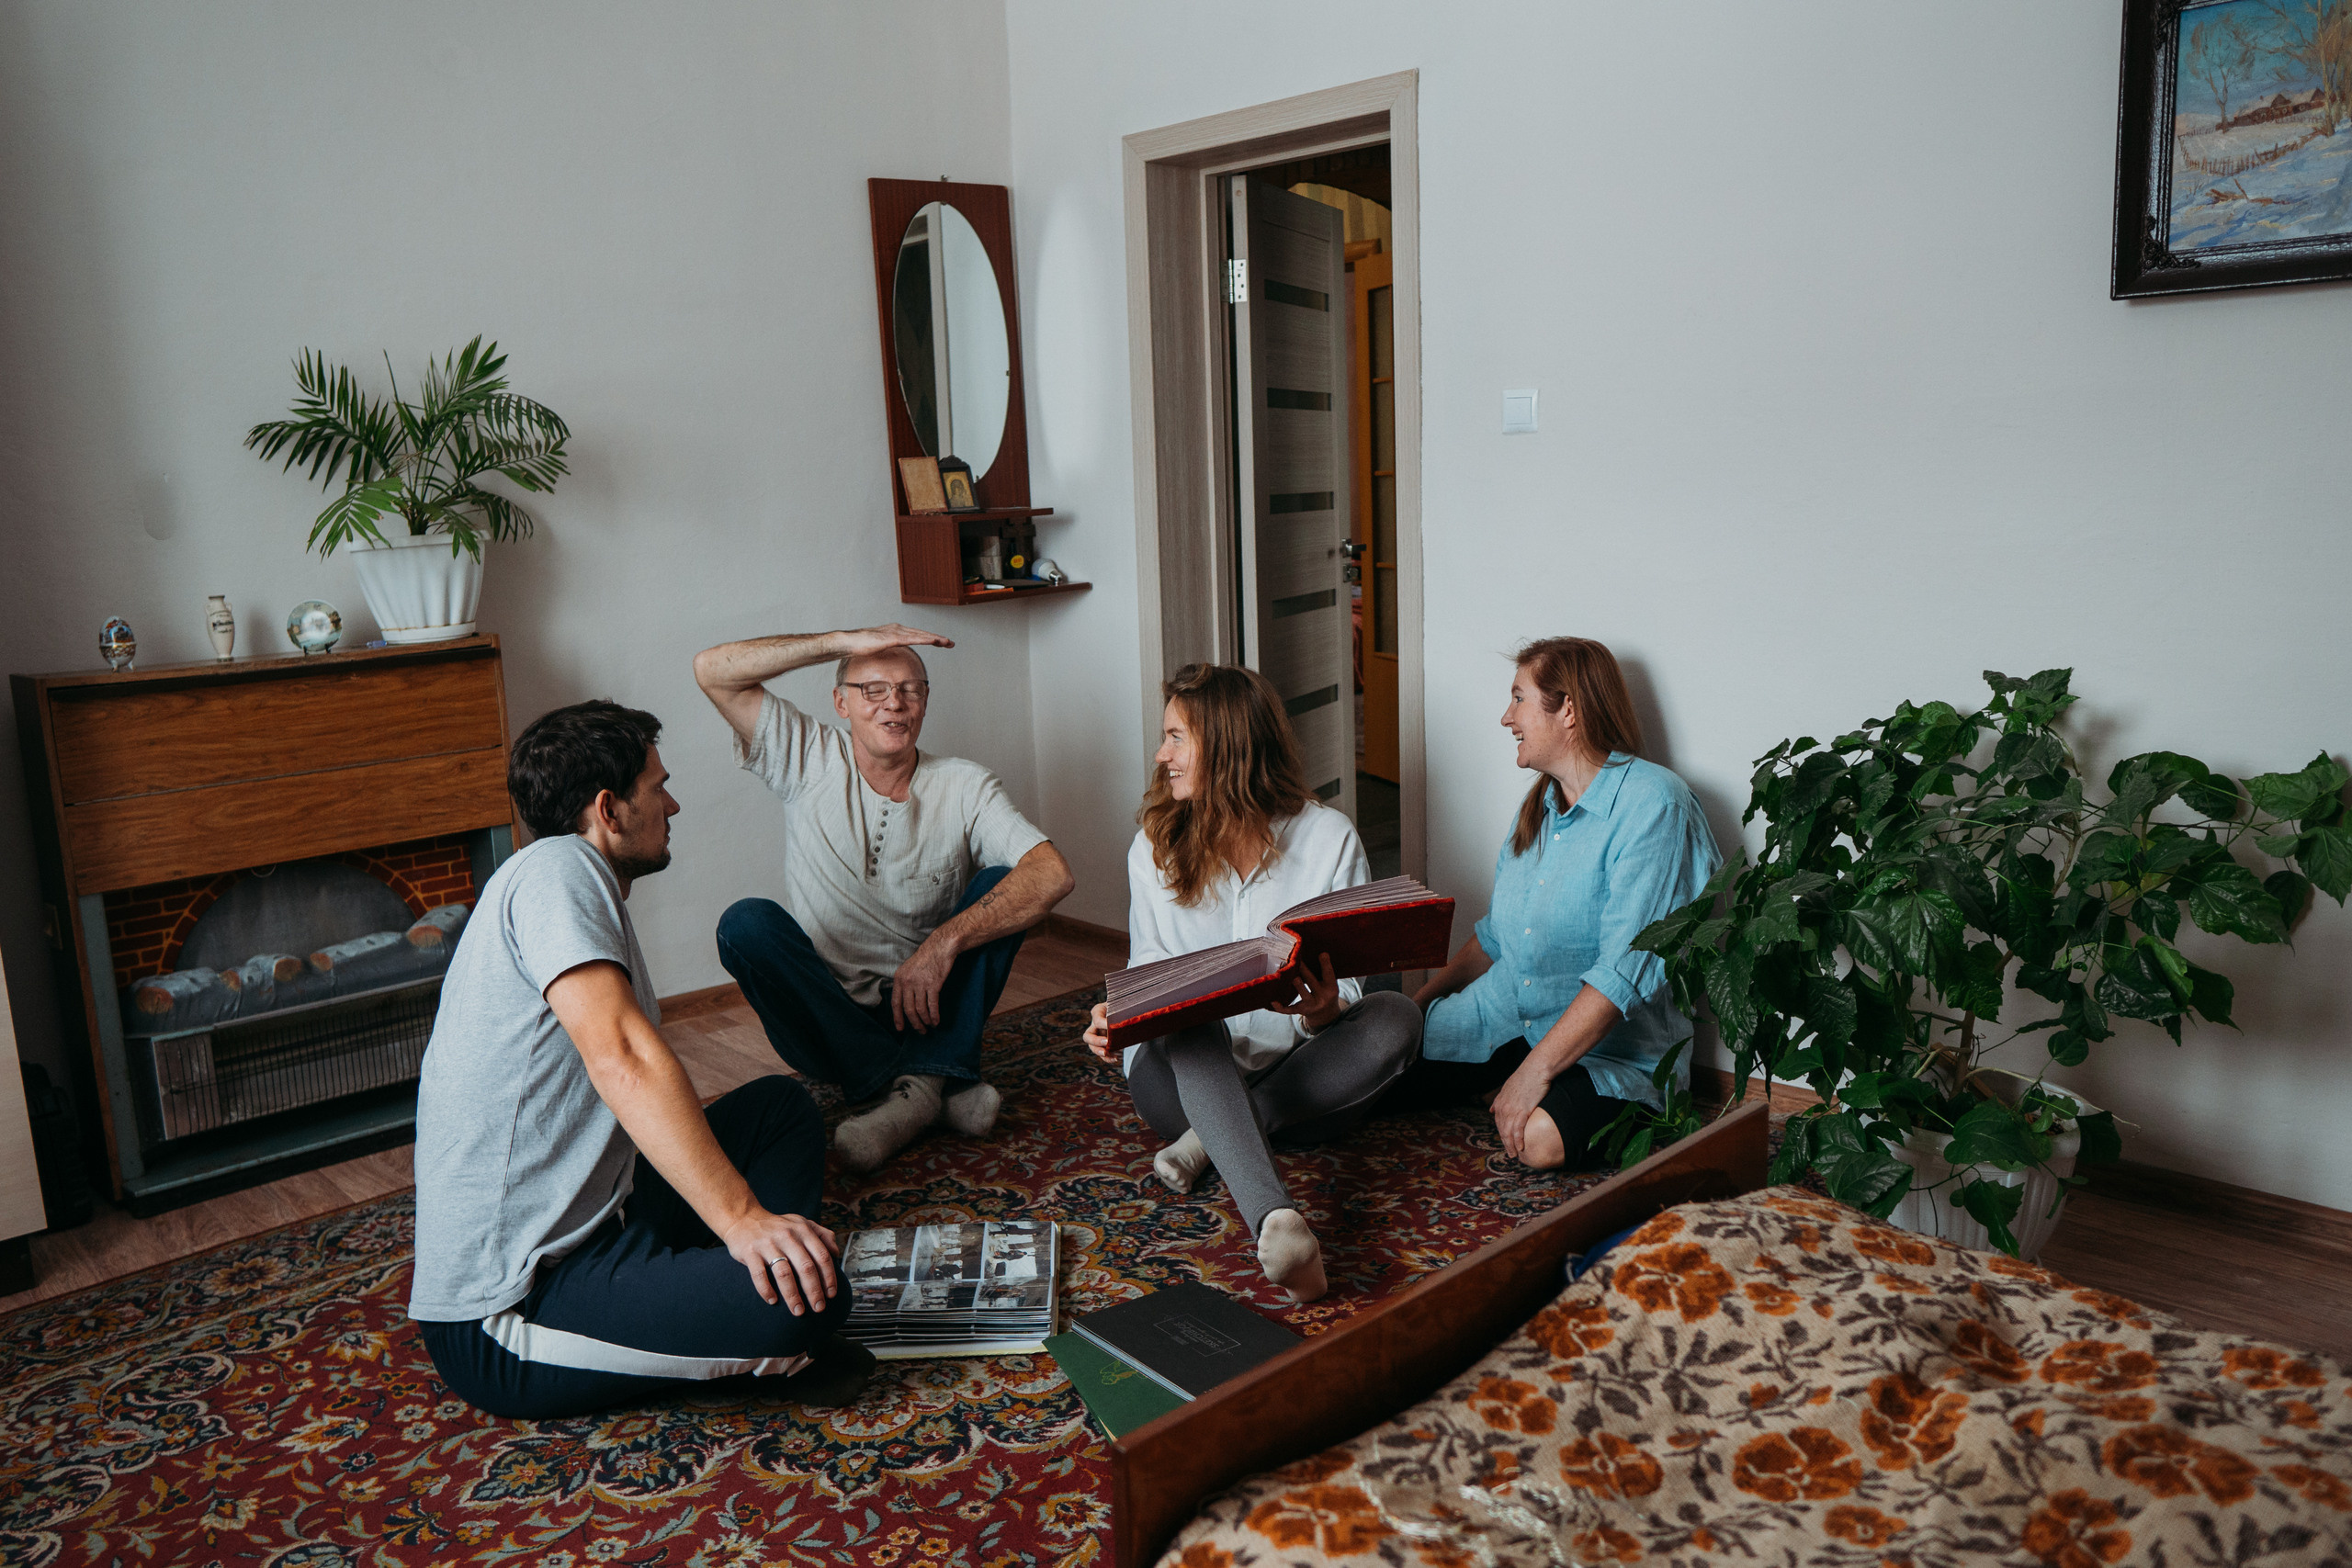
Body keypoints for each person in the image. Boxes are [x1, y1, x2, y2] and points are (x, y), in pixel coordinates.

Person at [409, 700, 869, 1420]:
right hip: (513, 1303)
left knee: (781, 1110)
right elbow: (620, 1057)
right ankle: (772, 1305)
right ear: (609, 810)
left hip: (606, 1212)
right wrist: (742, 1216)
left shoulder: (558, 878)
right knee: (818, 1303)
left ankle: (760, 1277)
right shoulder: (558, 869)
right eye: (658, 786)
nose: (673, 802)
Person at [1082, 664, 1422, 1303]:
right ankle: (1276, 1218)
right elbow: (1145, 967)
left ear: (1229, 743)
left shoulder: (1327, 838)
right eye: (1166, 737)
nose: (1162, 756)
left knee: (1398, 1014)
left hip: (1301, 1073)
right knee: (1188, 1016)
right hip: (1180, 1078)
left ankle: (1214, 1140)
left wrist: (1321, 1012)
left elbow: (1345, 989)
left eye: (1177, 737)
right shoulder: (1152, 845)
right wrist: (1117, 1019)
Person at [697, 624, 1076, 1171]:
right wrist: (843, 642)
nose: (894, 704)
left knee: (1004, 884)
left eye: (910, 689)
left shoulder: (965, 784)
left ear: (925, 701)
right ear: (841, 702)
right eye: (872, 689)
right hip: (827, 1022)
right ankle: (930, 1083)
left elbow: (1052, 874)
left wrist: (944, 942)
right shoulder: (804, 755)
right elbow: (712, 670)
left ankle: (908, 1095)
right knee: (745, 924)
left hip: (924, 1009)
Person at [1410, 637, 1721, 1171]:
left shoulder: (1655, 804)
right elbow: (1495, 936)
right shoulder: (1538, 808)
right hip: (1509, 1023)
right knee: (1371, 1068)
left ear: (1569, 709)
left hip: (1618, 1056)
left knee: (1539, 1141)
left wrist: (1533, 1074)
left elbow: (1623, 973)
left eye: (1519, 698)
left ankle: (1521, 1084)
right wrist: (1414, 1012)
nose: (1506, 717)